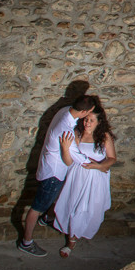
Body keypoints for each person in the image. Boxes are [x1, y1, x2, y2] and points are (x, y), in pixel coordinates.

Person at [17, 94, 98, 257]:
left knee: (56, 197)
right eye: (89, 112)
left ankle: (47, 218)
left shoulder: (64, 111)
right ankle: (26, 242)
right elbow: (75, 159)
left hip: (49, 166)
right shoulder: (65, 130)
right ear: (83, 112)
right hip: (53, 174)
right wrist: (97, 164)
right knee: (36, 208)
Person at [53, 106, 117, 257]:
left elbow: (112, 158)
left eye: (91, 120)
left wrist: (99, 166)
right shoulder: (77, 133)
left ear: (99, 122)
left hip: (95, 177)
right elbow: (69, 162)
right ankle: (71, 241)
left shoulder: (104, 136)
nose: (87, 123)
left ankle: (77, 234)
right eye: (86, 119)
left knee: (88, 208)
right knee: (73, 206)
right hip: (77, 176)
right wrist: (64, 148)